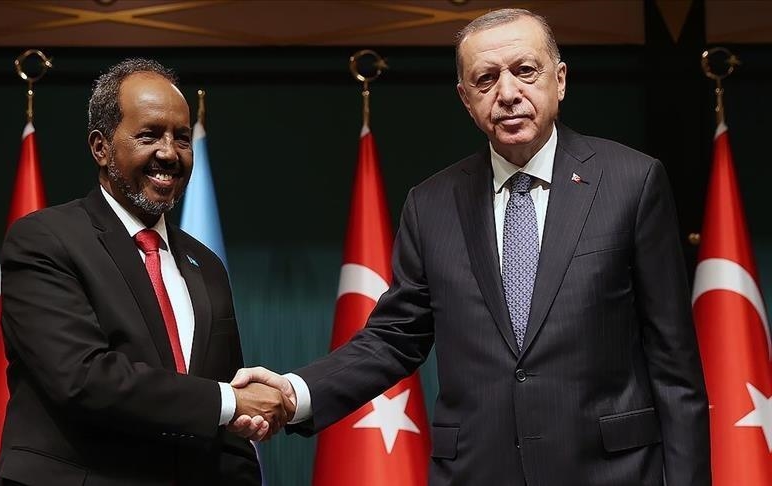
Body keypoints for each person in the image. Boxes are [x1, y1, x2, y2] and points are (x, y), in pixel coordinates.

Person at [232, 8, 711, 485]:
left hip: (610, 472)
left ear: (560, 80)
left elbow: (674, 367)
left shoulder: (631, 182)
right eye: (486, 79)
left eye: (525, 71)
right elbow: (393, 338)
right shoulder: (431, 204)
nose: (508, 93)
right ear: (466, 98)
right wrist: (294, 393)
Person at [0, 58, 289, 485]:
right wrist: (229, 401)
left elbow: (229, 436)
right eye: (149, 135)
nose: (169, 153)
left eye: (181, 138)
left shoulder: (206, 265)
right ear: (101, 147)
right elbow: (82, 378)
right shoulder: (43, 240)